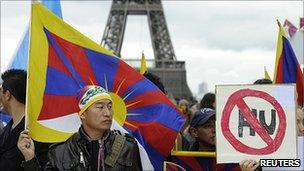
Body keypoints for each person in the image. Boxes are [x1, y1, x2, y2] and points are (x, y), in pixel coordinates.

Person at [18, 85, 142, 170]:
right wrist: (29, 158)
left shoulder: (128, 147)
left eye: (110, 107)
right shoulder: (60, 152)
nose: (107, 113)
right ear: (82, 114)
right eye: (100, 107)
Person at [0, 69, 50, 171]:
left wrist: (30, 159)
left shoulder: (37, 132)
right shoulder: (6, 130)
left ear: (7, 95)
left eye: (0, 91)